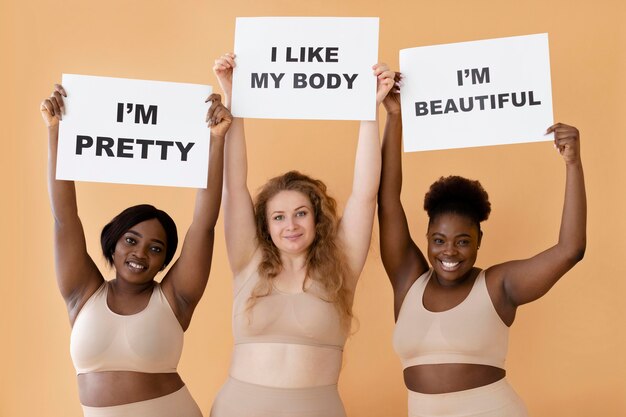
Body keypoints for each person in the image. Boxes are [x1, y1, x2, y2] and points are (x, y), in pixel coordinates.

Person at [378, 79, 586, 416]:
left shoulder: (498, 285)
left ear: (479, 242)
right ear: (427, 237)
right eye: (439, 240)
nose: (449, 252)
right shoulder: (408, 281)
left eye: (463, 242)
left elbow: (570, 250)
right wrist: (395, 116)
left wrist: (573, 164)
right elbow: (387, 201)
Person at [208, 53, 394, 417]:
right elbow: (234, 185)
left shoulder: (341, 265)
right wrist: (234, 99)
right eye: (278, 217)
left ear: (316, 218)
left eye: (300, 214)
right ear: (266, 224)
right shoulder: (248, 260)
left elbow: (365, 193)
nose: (290, 225)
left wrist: (368, 110)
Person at [40, 84, 232, 417]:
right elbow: (64, 219)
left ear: (163, 262)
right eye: (131, 240)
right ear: (112, 245)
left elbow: (203, 225)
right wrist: (56, 131)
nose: (140, 253)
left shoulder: (175, 298)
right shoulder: (81, 293)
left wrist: (216, 141)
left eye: (155, 248)